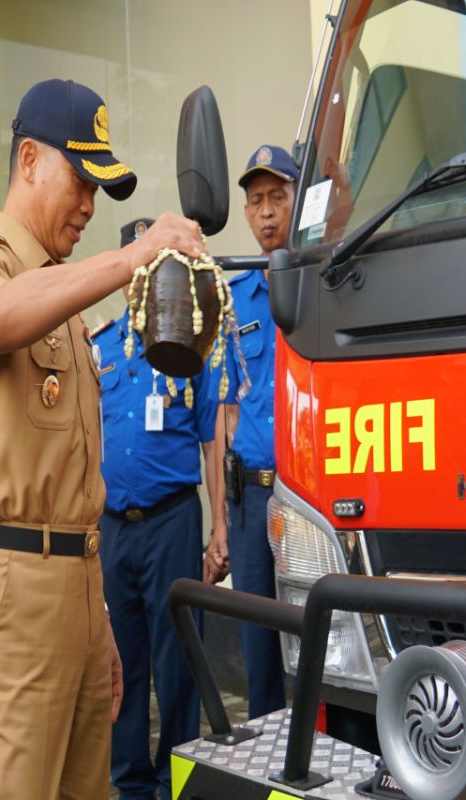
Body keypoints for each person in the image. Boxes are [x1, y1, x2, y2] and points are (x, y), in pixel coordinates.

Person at [0, 78, 206, 799]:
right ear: (29, 160)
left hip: (79, 581)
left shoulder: (61, 294)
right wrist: (134, 257)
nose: (90, 207)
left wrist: (91, 613)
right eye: (80, 181)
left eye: (102, 190)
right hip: (16, 589)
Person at [92, 217, 221, 800]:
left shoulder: (186, 348)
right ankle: (129, 782)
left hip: (171, 521)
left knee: (177, 663)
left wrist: (219, 523)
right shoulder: (100, 347)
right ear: (125, 279)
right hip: (114, 529)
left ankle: (179, 779)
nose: (141, 281)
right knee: (121, 662)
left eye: (151, 271)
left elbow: (210, 439)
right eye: (135, 270)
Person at [204, 144, 297, 719]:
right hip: (250, 497)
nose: (265, 212)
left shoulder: (320, 282)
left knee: (321, 635)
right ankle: (268, 748)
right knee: (257, 643)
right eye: (255, 201)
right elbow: (221, 413)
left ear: (297, 201)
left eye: (277, 198)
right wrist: (217, 517)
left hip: (304, 495)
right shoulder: (235, 299)